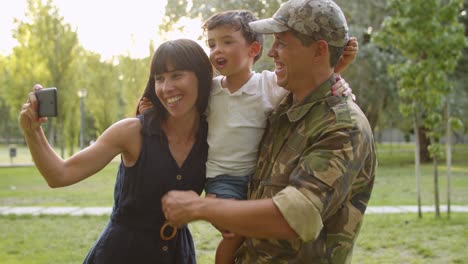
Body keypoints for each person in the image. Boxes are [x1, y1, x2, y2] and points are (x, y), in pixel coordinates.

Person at [161, 0, 377, 263]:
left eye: (282, 44)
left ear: (319, 50)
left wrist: (199, 206)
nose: (271, 52)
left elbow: (296, 217)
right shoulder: (284, 107)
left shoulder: (343, 126)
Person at [19, 39, 213, 264]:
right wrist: (32, 132)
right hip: (121, 254)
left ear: (201, 77)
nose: (166, 87)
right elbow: (60, 175)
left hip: (177, 255)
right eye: (159, 78)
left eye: (177, 75)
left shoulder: (213, 137)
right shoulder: (131, 132)